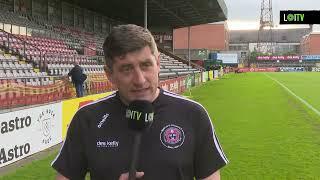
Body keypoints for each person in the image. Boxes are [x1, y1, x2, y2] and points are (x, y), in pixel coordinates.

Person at [52, 24, 228, 180]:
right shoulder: (87, 119)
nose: (140, 79)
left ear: (158, 64)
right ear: (110, 75)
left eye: (145, 65)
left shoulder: (193, 114)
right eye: (127, 69)